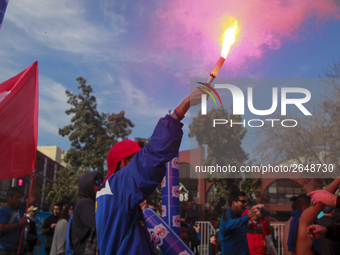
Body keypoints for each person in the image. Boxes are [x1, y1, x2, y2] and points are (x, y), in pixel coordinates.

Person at [96, 88, 204, 255]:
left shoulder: (110, 194)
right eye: (136, 158)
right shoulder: (118, 184)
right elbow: (152, 156)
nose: (140, 160)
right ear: (124, 164)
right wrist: (183, 107)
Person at [293, 177, 340, 255]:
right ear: (305, 208)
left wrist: (327, 231)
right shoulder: (304, 219)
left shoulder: (290, 223)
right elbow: (322, 199)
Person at [0, 171, 38, 254]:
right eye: (16, 197)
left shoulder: (21, 206)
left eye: (20, 197)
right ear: (8, 198)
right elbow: (1, 228)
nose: (19, 199)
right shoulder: (3, 210)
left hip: (19, 248)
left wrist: (34, 181)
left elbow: (34, 197)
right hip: (5, 249)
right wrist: (18, 225)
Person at [219, 191, 264, 255]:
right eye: (242, 202)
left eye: (245, 202)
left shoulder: (241, 217)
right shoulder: (226, 215)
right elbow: (228, 224)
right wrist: (246, 217)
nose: (245, 204)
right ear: (233, 203)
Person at [71, 171, 103, 255]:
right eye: (97, 182)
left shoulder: (92, 203)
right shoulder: (85, 203)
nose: (100, 185)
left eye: (102, 182)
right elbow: (98, 225)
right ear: (87, 184)